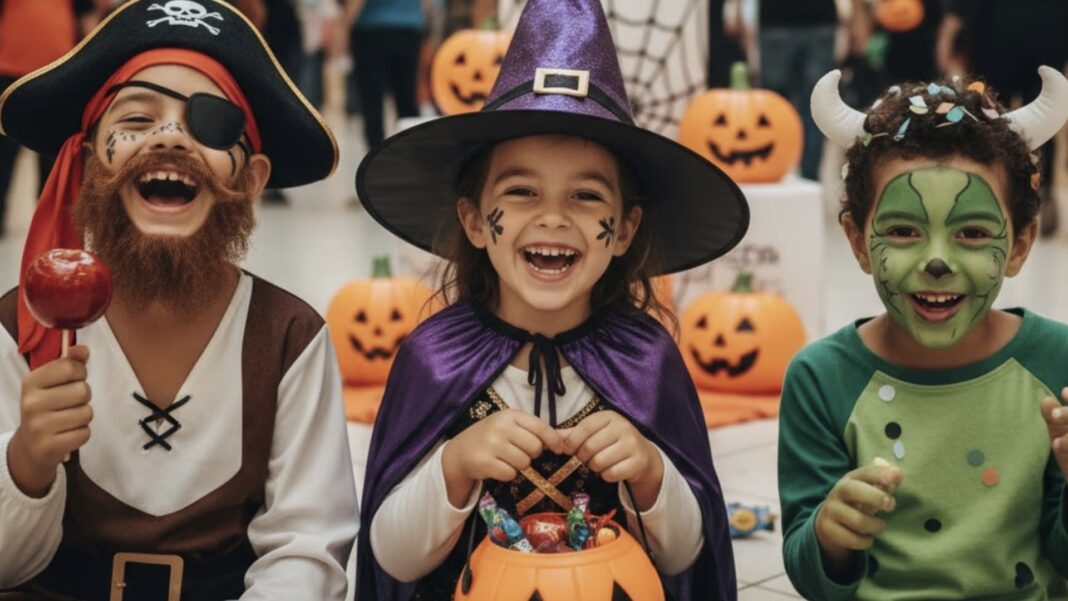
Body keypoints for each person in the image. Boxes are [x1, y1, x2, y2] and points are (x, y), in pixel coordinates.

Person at [353, 0, 746, 599]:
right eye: (522, 190)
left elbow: (690, 555)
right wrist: (454, 466)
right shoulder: (434, 358)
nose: (554, 217)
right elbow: (392, 559)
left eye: (587, 197)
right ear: (477, 221)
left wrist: (649, 470)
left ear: (626, 229)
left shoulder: (647, 360)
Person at [0, 0, 357, 598]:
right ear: (90, 164)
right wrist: (27, 463)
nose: (170, 138)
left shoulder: (288, 339)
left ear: (251, 178)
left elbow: (307, 551)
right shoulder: (22, 328)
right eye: (137, 119)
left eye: (212, 125)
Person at [778, 67, 1068, 598]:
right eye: (904, 231)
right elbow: (809, 574)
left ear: (1022, 244)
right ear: (859, 242)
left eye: (973, 232)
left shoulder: (1058, 363)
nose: (937, 262)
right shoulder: (821, 378)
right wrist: (829, 533)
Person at [937, 0, 1068, 236]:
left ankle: (988, 187)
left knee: (990, 116)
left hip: (997, 36)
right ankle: (1042, 191)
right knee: (1041, 118)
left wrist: (949, 33)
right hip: (1046, 34)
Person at [0, 0, 99, 236]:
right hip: (8, 73)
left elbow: (86, 18)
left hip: (57, 72)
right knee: (4, 153)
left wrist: (94, 63)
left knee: (54, 154)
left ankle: (51, 223)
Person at [344, 0, 426, 148]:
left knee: (372, 101)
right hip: (409, 28)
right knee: (407, 101)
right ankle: (415, 156)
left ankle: (375, 161)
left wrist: (343, 27)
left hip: (371, 29)